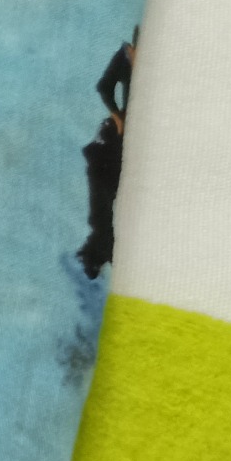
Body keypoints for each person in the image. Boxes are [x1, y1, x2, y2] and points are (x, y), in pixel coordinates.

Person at [79, 32, 136, 278]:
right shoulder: (127, 56)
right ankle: (97, 253)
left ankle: (99, 252)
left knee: (111, 201)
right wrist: (117, 117)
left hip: (128, 140)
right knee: (102, 198)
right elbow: (104, 87)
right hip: (116, 138)